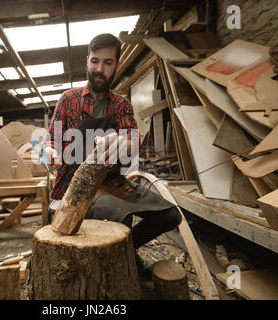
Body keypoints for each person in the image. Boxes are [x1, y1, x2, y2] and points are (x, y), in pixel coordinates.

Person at [44, 33, 181, 270]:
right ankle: (117, 263)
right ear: (87, 61)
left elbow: (133, 137)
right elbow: (50, 141)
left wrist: (125, 143)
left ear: (117, 65)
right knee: (115, 213)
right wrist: (48, 153)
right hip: (72, 184)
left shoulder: (121, 105)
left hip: (111, 181)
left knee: (170, 216)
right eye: (95, 61)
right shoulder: (68, 100)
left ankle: (125, 250)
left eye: (108, 63)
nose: (100, 68)